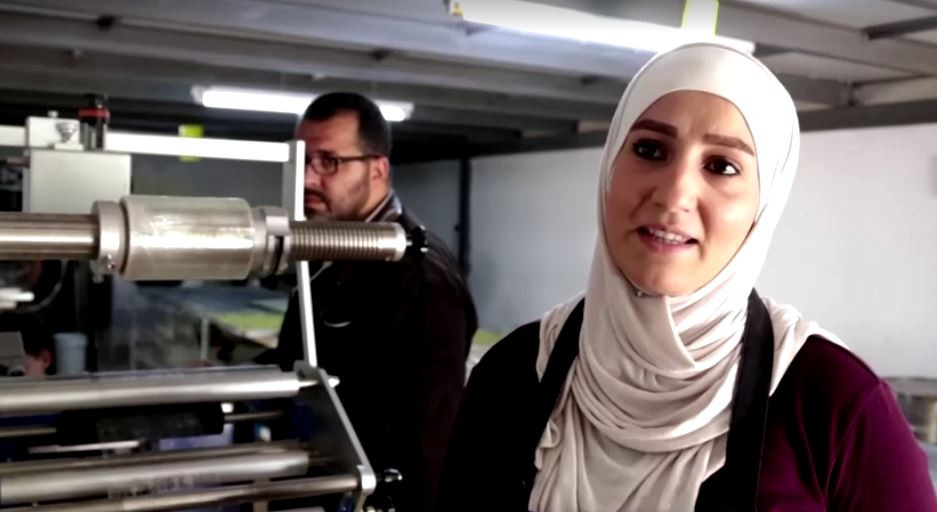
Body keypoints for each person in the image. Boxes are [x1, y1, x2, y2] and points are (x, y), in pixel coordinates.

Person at [436, 43, 937, 512]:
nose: (675, 193)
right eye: (650, 150)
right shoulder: (513, 374)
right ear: (610, 169)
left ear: (763, 205)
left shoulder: (837, 405)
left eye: (721, 166)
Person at [257, 92, 477, 511]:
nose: (307, 179)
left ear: (378, 169)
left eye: (329, 161)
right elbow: (301, 358)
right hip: (317, 480)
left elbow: (429, 447)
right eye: (301, 161)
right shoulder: (330, 246)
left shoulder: (422, 280)